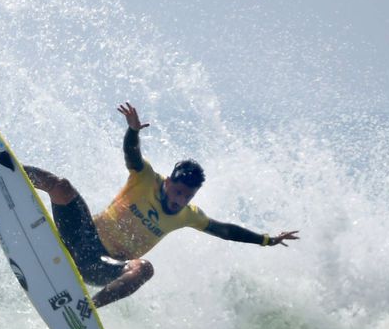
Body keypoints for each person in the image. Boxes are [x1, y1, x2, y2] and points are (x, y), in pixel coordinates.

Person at [23, 102, 299, 308]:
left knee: (144, 269)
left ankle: (89, 307)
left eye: (187, 197)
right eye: (177, 192)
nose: (180, 200)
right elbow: (132, 155)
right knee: (60, 186)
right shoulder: (146, 179)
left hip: (99, 265)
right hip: (80, 237)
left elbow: (225, 230)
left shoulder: (188, 216)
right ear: (167, 182)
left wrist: (266, 240)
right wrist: (132, 132)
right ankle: (5, 166)